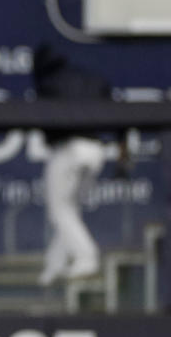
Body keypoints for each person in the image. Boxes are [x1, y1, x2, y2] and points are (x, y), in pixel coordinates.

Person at [31, 45, 111, 286]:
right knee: (70, 209)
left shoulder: (49, 82)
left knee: (60, 210)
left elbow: (46, 124)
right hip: (97, 150)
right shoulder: (89, 77)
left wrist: (49, 139)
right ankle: (56, 264)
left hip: (70, 148)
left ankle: (87, 258)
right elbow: (112, 104)